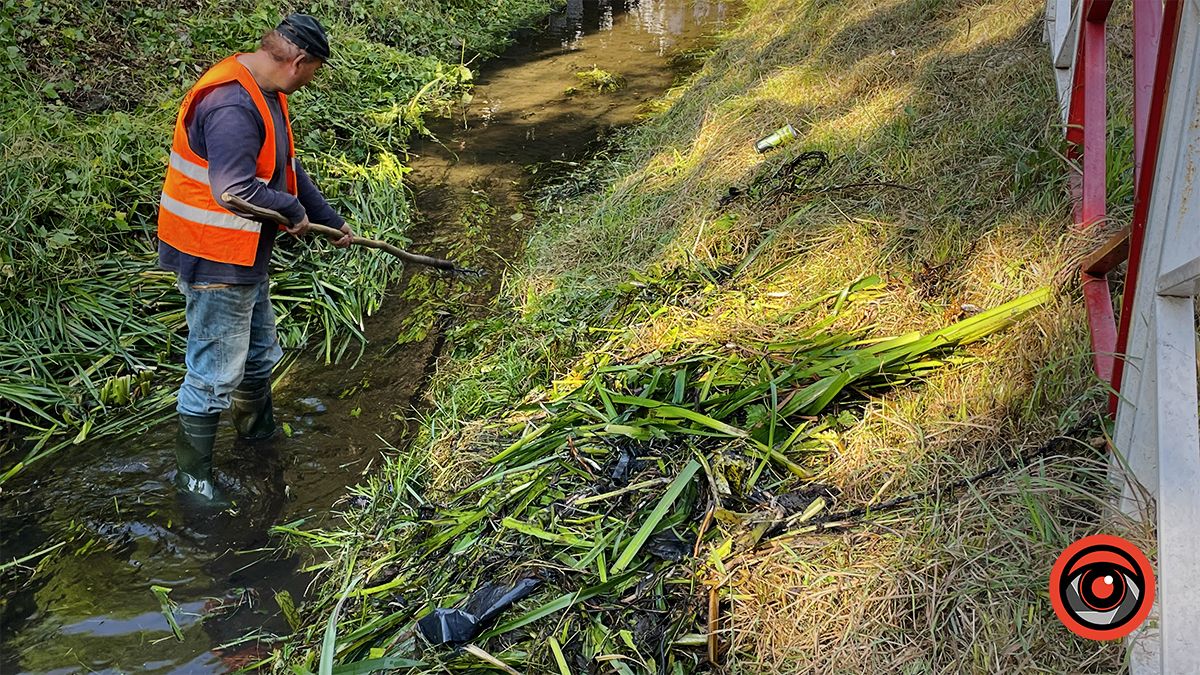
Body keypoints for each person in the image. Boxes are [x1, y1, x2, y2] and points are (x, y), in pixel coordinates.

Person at [157, 14, 352, 501]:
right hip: (214, 258)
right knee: (214, 372)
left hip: (244, 255)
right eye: (315, 71)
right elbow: (235, 191)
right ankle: (193, 477)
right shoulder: (232, 104)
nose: (312, 81)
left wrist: (325, 217)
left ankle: (256, 437)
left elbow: (284, 165)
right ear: (299, 62)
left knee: (259, 356)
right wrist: (291, 213)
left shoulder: (265, 91)